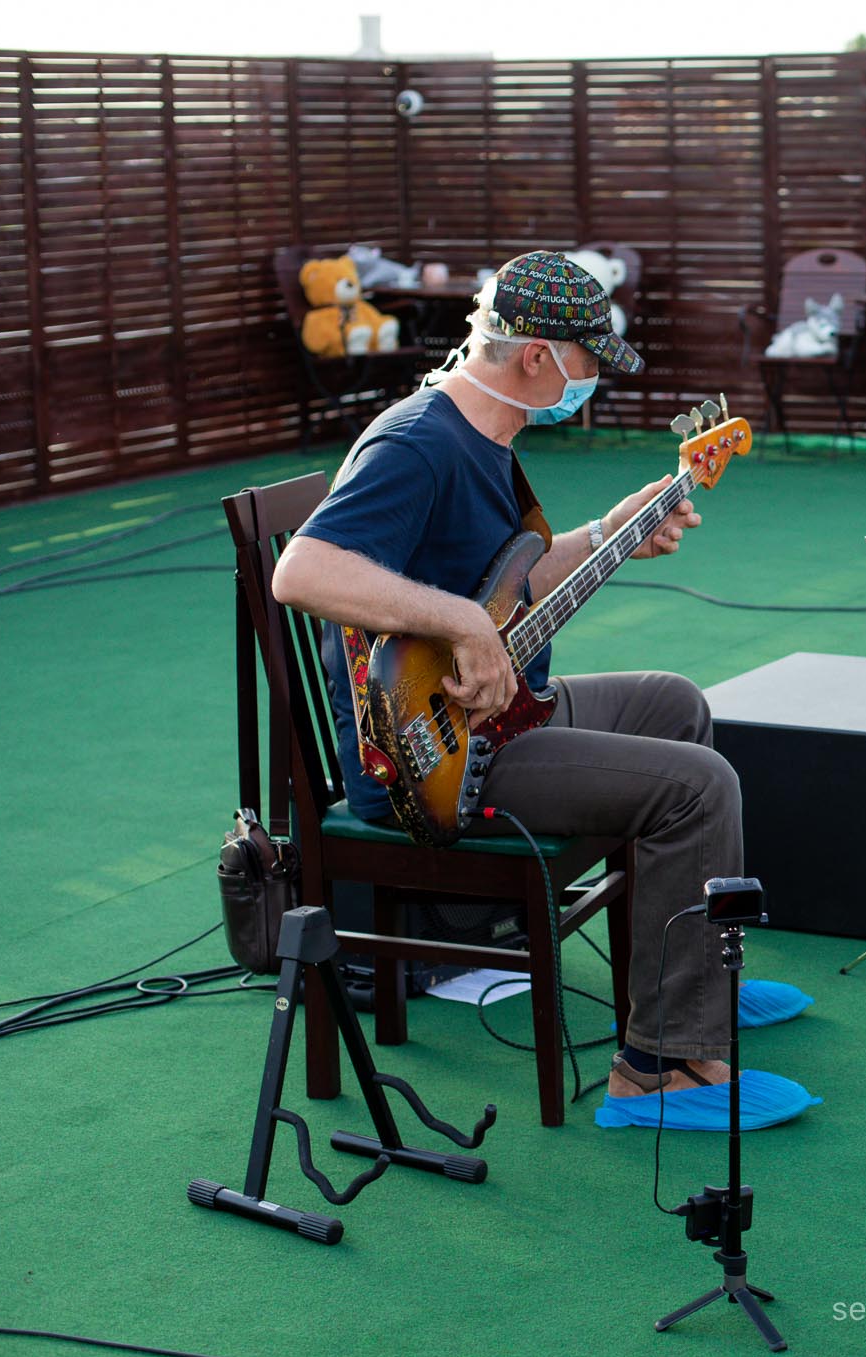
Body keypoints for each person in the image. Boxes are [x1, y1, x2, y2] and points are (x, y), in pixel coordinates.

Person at [274, 250, 751, 1101]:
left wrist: (613, 531)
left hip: (502, 714)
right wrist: (457, 620)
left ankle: (688, 996)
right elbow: (300, 572)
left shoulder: (489, 434)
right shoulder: (418, 440)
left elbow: (511, 576)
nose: (592, 378)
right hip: (432, 761)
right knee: (700, 786)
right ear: (538, 357)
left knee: (676, 705)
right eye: (588, 361)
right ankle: (659, 1065)